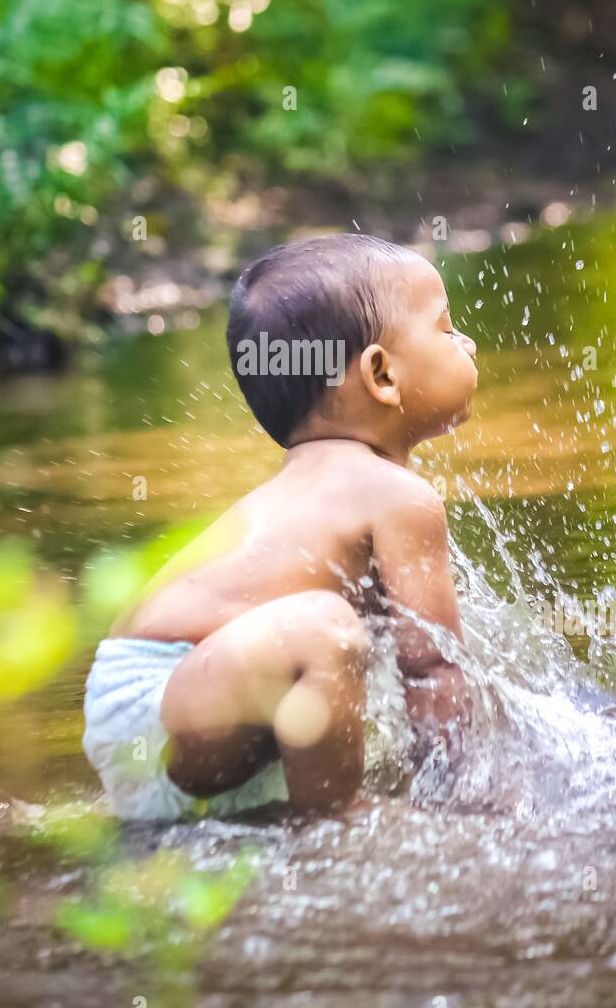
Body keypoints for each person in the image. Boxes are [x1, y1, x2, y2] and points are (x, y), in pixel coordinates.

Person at [83, 234, 478, 820]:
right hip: (165, 693)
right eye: (446, 329)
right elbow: (432, 671)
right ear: (382, 375)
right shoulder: (398, 496)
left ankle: (290, 809)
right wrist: (467, 802)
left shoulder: (322, 484)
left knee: (324, 630)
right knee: (326, 627)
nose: (466, 341)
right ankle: (337, 820)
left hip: (174, 702)